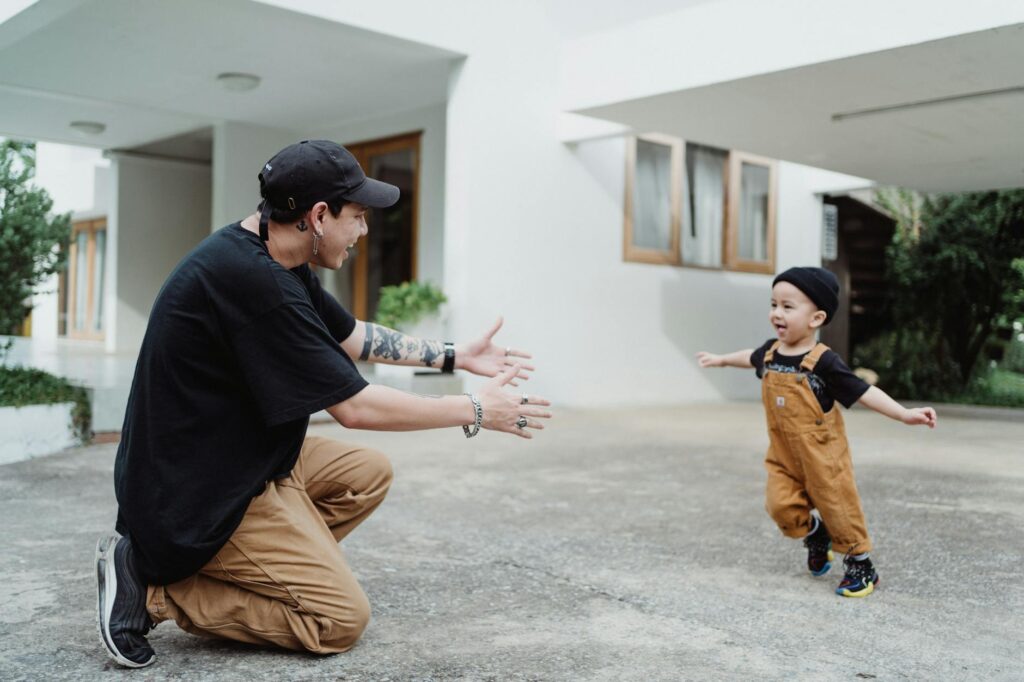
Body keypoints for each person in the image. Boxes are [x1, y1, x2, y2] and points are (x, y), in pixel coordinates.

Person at [95, 139, 552, 668]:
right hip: (196, 497)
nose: (363, 231)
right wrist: (475, 410)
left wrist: (455, 356)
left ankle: (262, 569)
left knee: (366, 473)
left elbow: (352, 337)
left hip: (242, 459)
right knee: (338, 620)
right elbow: (355, 408)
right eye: (357, 216)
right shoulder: (255, 284)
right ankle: (153, 589)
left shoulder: (272, 254)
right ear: (317, 216)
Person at [696, 266, 935, 598]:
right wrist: (721, 360)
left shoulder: (824, 362)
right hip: (782, 454)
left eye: (787, 306)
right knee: (780, 507)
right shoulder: (769, 352)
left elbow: (862, 390)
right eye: (774, 304)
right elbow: (748, 358)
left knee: (839, 506)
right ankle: (815, 533)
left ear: (816, 318)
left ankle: (861, 564)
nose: (776, 313)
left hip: (823, 454)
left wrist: (904, 414)